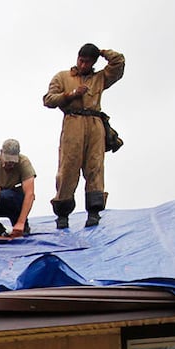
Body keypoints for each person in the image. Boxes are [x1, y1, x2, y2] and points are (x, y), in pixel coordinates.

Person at [43, 42, 125, 229]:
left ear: (93, 62)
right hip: (73, 123)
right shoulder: (63, 76)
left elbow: (119, 62)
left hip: (95, 124)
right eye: (81, 60)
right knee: (68, 168)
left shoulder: (100, 78)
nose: (83, 65)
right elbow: (48, 99)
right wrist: (71, 94)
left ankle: (94, 212)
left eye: (88, 62)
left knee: (95, 166)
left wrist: (102, 52)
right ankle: (62, 214)